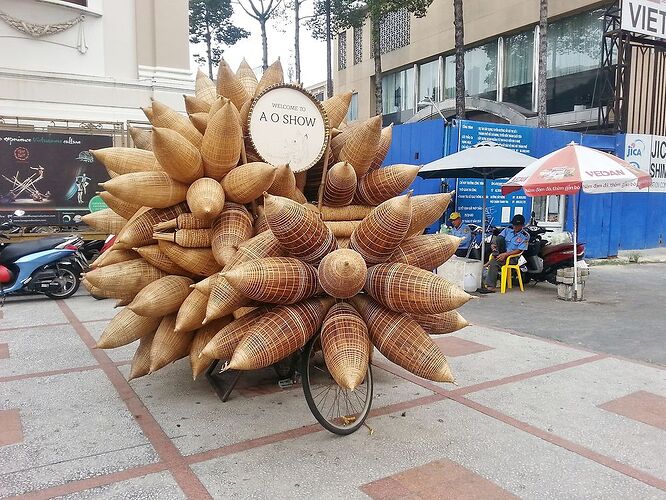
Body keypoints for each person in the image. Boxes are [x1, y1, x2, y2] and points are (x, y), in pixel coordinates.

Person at [480, 213, 529, 293]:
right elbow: (498, 240)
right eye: (514, 225)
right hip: (501, 253)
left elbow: (519, 250)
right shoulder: (507, 230)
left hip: (512, 257)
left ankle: (490, 287)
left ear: (522, 225)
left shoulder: (524, 236)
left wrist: (506, 254)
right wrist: (494, 245)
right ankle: (494, 257)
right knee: (498, 239)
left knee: (494, 262)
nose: (515, 227)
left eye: (517, 225)